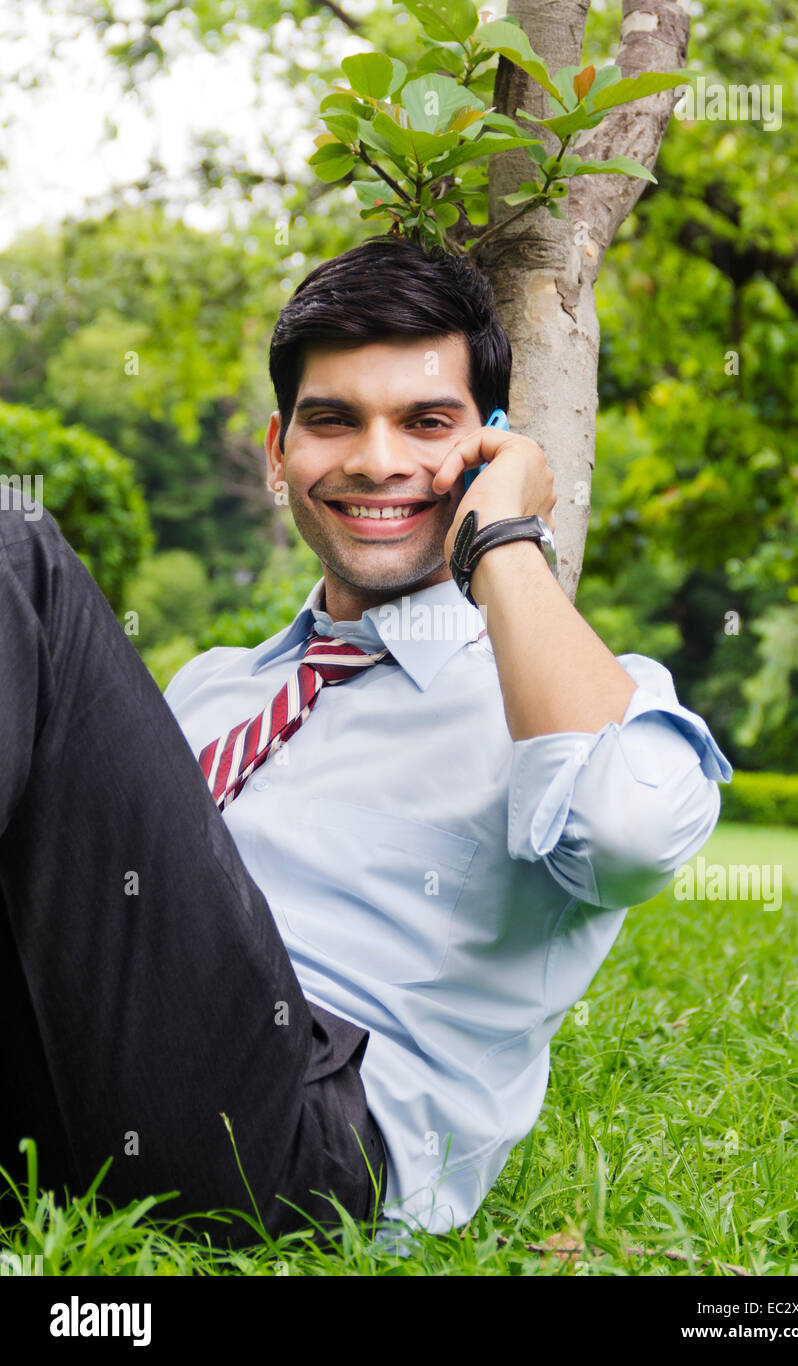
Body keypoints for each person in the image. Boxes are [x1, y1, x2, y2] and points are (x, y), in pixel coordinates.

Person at [0, 234, 731, 1252]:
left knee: (12, 543)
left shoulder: (563, 703)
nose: (376, 460)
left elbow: (623, 835)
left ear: (491, 449)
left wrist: (505, 537)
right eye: (332, 421)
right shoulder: (217, 685)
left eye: (425, 423)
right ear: (276, 450)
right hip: (88, 1080)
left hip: (305, 1138)